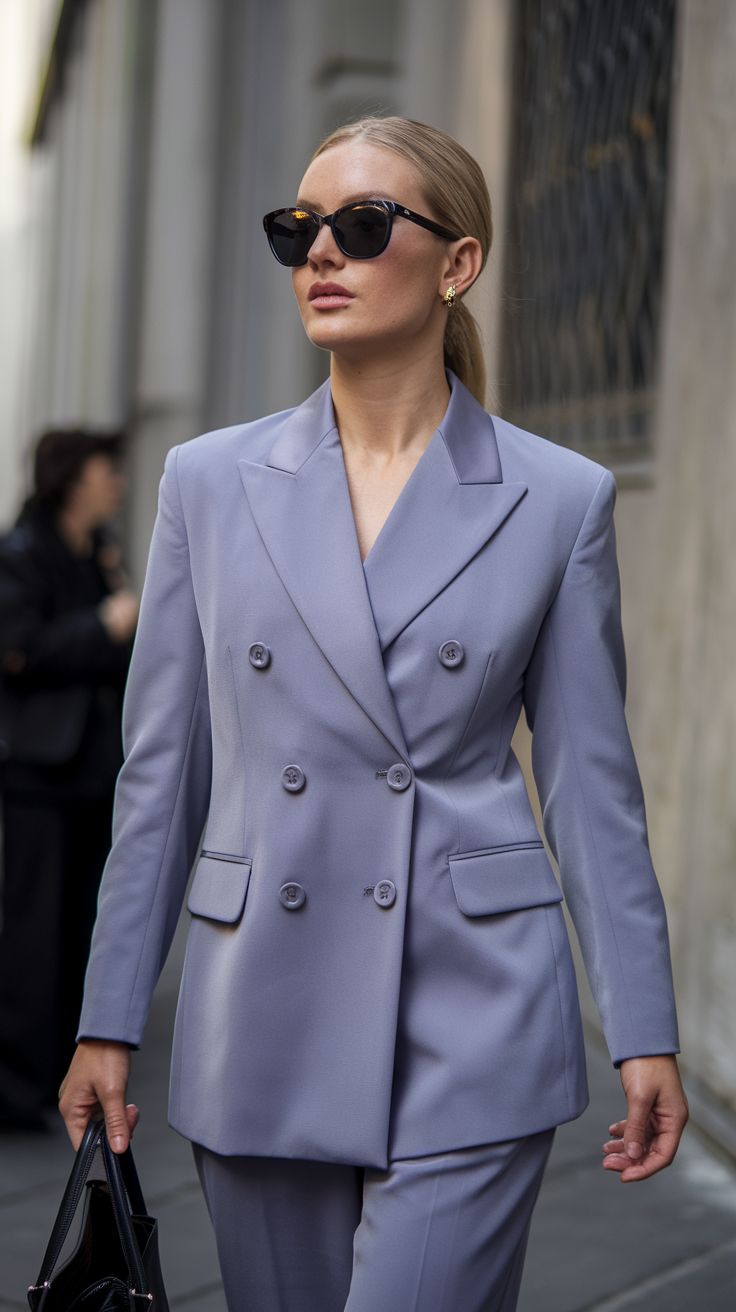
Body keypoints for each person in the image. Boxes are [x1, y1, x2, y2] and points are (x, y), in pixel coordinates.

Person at [59, 118, 688, 1310]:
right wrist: (107, 1019)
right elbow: (162, 777)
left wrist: (642, 1027)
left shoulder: (558, 499)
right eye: (297, 230)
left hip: (473, 1003)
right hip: (265, 1006)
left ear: (457, 264)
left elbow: (589, 784)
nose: (321, 257)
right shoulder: (207, 480)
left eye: (360, 225)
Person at [0, 430, 138, 1129]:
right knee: (33, 934)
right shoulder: (22, 552)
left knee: (80, 930)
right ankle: (18, 1087)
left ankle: (58, 1070)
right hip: (37, 773)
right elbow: (19, 651)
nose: (116, 481)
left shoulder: (100, 551)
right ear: (73, 479)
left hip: (91, 771)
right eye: (105, 469)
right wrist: (103, 624)